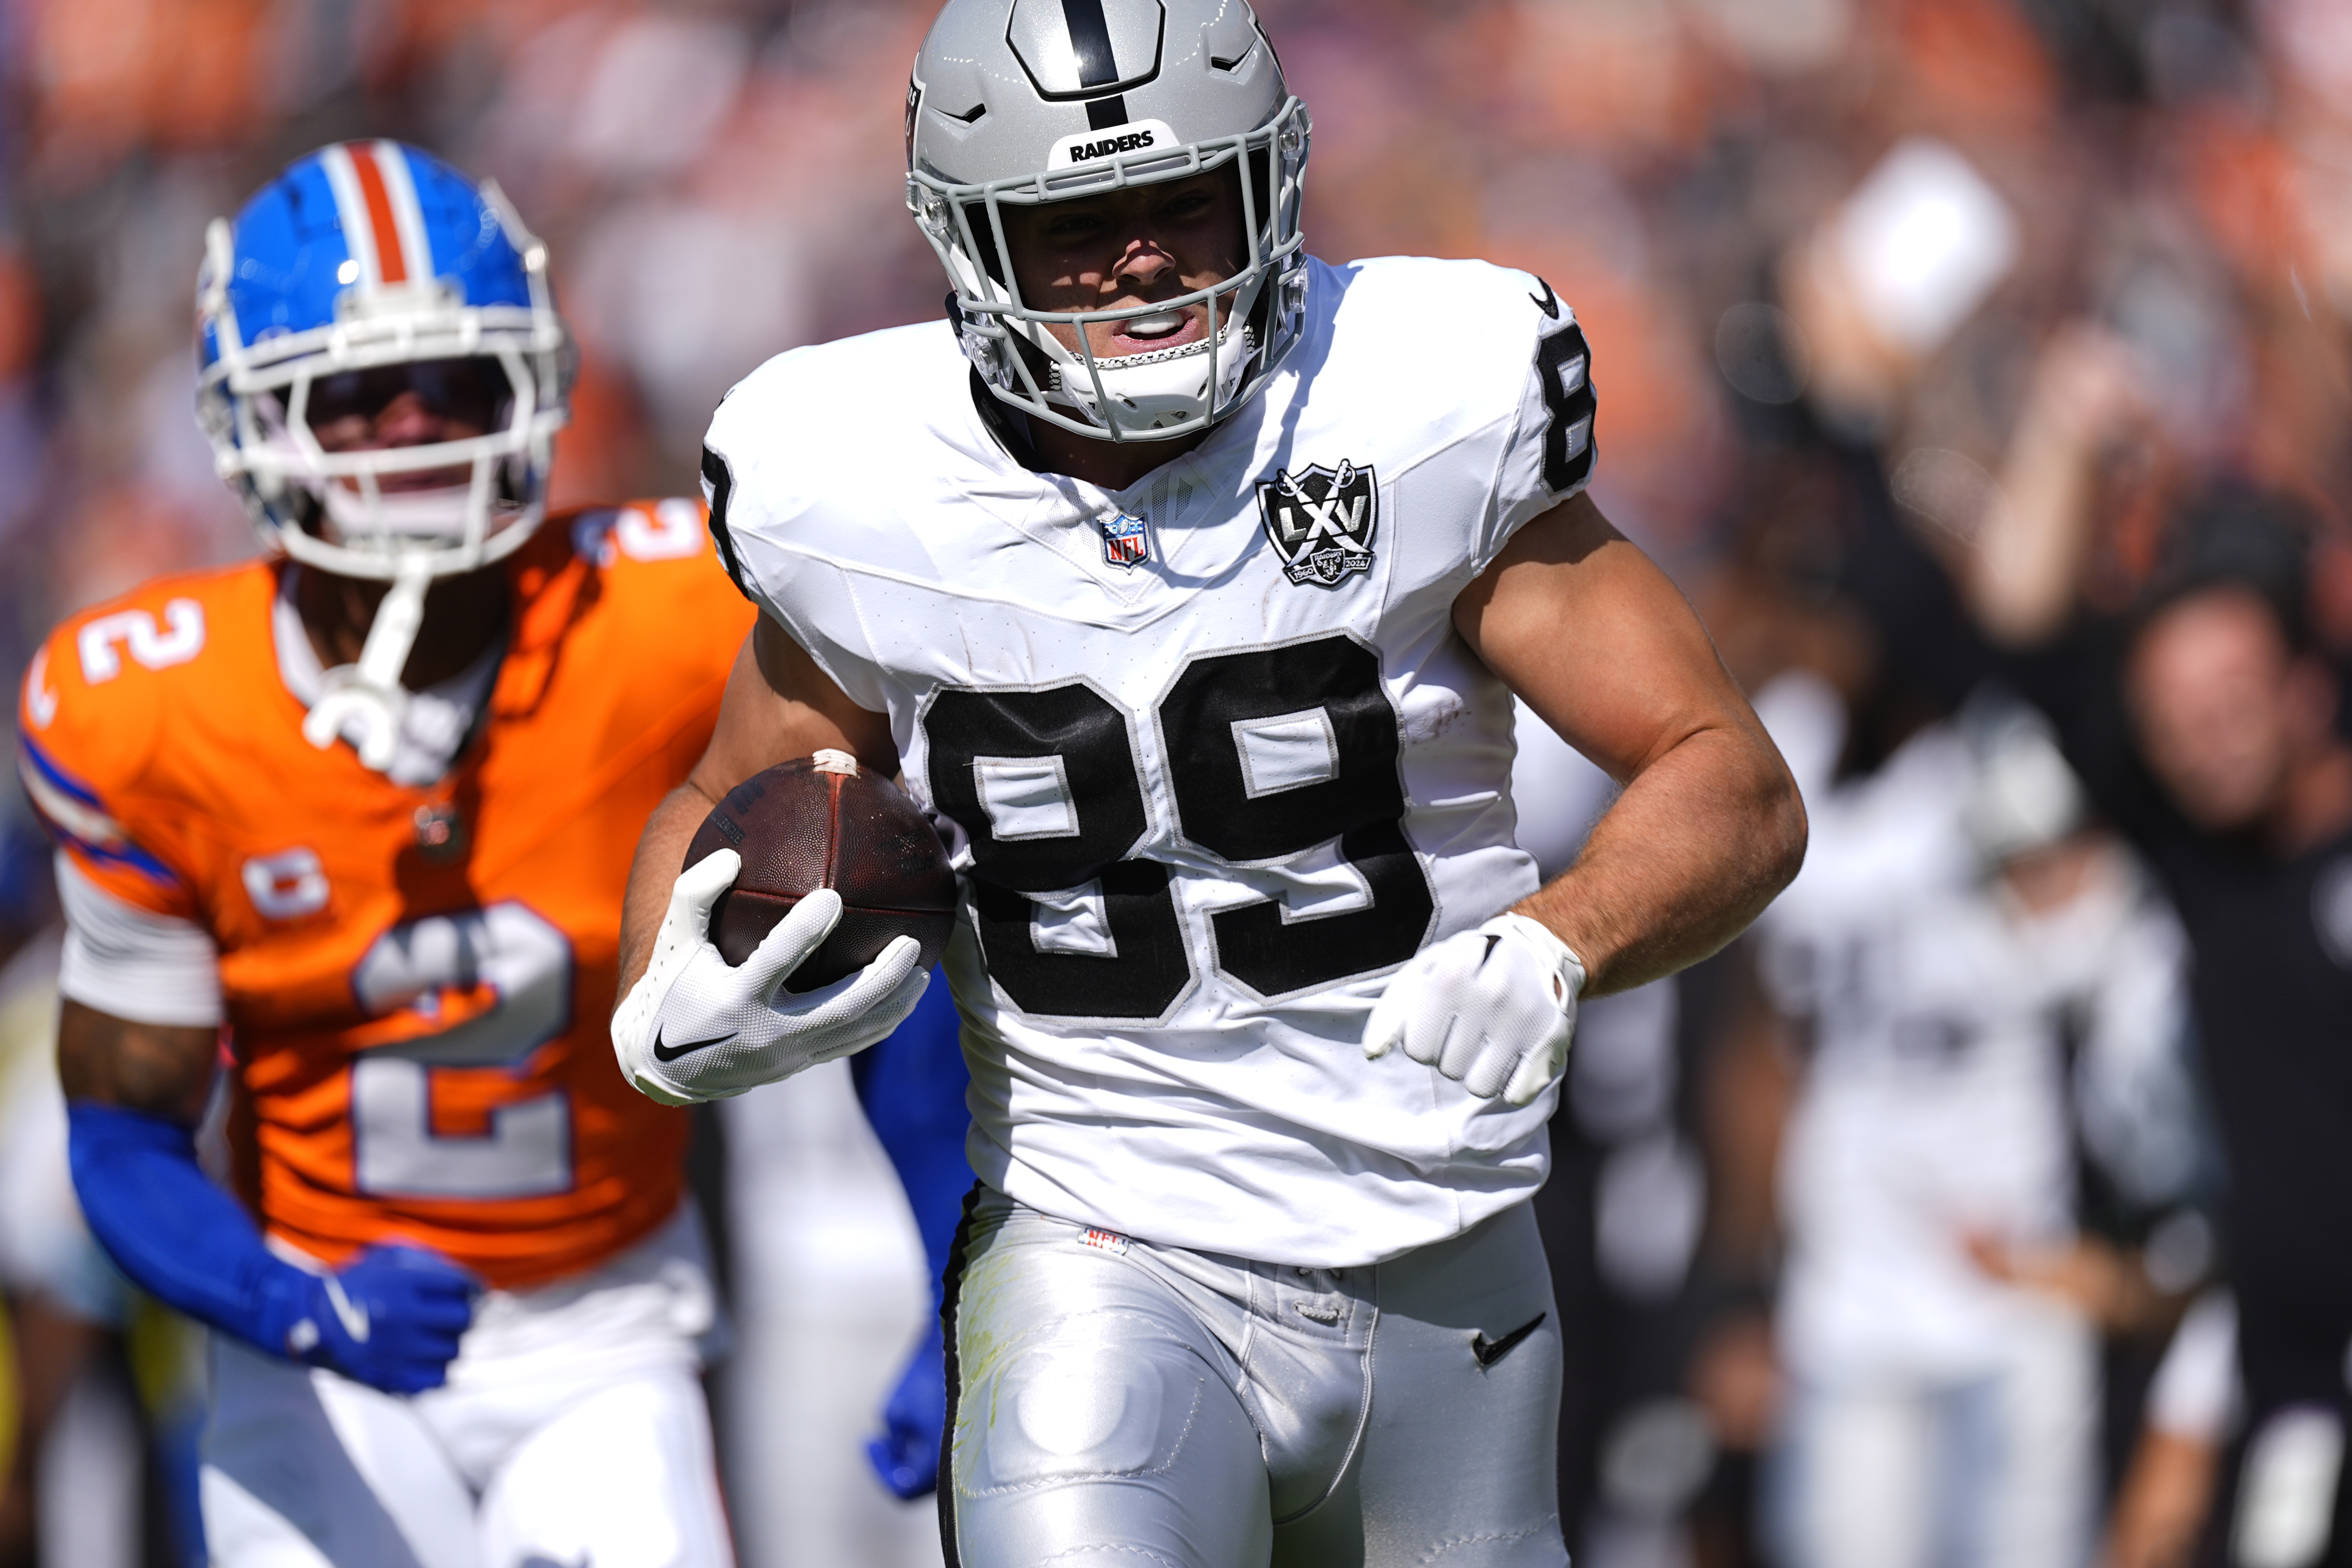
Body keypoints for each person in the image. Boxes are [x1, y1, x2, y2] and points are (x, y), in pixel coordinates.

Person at [610, 3, 1806, 1564]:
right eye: (1074, 225)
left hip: (1444, 1254)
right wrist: (661, 996)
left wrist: (1559, 940)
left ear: (1276, 183)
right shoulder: (857, 487)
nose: (1143, 261)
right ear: (968, 243)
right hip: (1099, 1237)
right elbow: (720, 792)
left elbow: (1735, 782)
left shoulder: (1416, 399)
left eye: (1184, 203)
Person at [16, 141, 756, 1567]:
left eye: (458, 384)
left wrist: (940, 1248)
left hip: (607, 1328)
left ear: (532, 387)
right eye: (356, 397)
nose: (416, 426)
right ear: (259, 419)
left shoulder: (673, 619)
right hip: (316, 1317)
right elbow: (120, 1137)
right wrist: (296, 1305)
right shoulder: (157, 711)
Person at [1971, 474, 2352, 1564]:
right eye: (2173, 720)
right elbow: (2022, 621)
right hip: (2292, 1394)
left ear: (2309, 689)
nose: (2206, 740)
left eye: (2232, 701)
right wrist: (2075, 420)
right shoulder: (2204, 865)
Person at [1756, 693, 2204, 1568]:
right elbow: (1763, 1050)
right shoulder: (1807, 761)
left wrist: (2124, 1271)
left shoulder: (1998, 752)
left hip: (2014, 1295)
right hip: (1853, 1298)